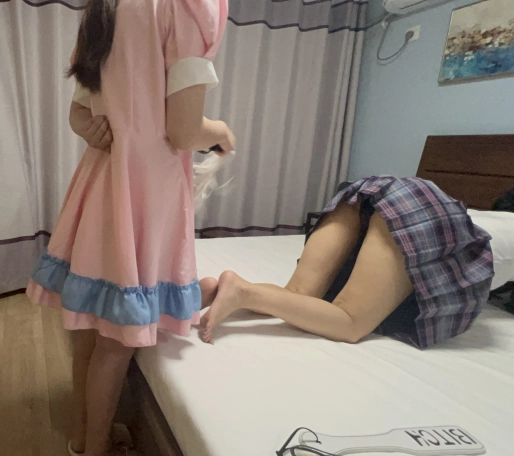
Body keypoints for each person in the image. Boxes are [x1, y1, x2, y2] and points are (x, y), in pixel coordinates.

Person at [26, 1, 233, 455]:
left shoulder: (107, 7)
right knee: (118, 340)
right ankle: (97, 447)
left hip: (101, 184)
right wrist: (220, 131)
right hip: (144, 192)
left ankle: (83, 436)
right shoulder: (186, 7)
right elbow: (183, 131)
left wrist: (93, 130)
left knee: (88, 330)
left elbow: (79, 112)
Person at [199, 176, 497, 349]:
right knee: (350, 322)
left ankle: (223, 291)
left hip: (367, 189)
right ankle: (243, 291)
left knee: (297, 293)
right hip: (417, 206)